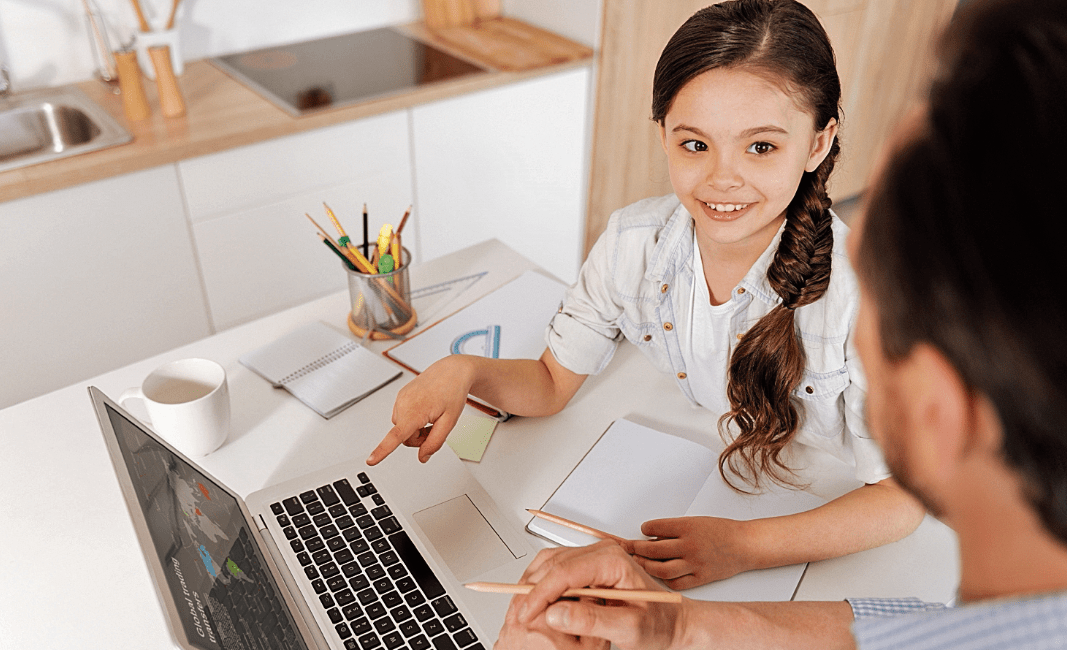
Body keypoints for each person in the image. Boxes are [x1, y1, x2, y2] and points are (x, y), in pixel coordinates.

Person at [492, 0, 1067, 650]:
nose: (724, 175)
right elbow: (908, 644)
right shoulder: (1008, 638)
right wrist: (677, 624)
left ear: (939, 407)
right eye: (695, 142)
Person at [371, 0, 924, 590]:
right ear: (663, 136)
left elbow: (903, 498)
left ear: (818, 143)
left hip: (817, 525)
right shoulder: (633, 244)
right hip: (710, 473)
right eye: (695, 144)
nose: (722, 178)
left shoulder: (866, 297)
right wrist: (465, 371)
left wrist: (745, 546)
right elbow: (554, 383)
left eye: (761, 147)